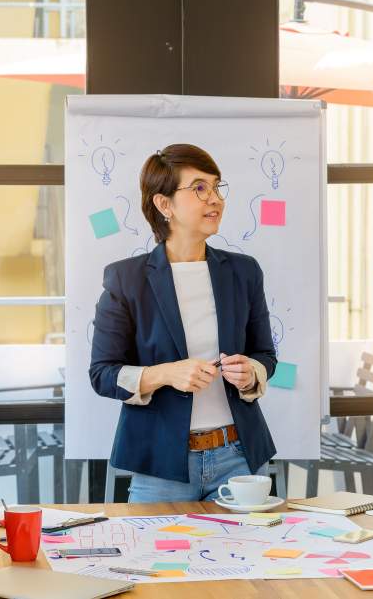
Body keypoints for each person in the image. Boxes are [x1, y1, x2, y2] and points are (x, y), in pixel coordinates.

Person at [89, 143, 277, 502]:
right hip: (161, 466)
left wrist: (251, 371)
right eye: (200, 188)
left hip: (239, 459)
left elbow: (265, 354)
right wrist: (166, 374)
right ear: (164, 205)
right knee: (160, 561)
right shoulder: (126, 279)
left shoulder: (244, 272)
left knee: (250, 559)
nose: (215, 199)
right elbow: (102, 373)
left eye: (217, 187)